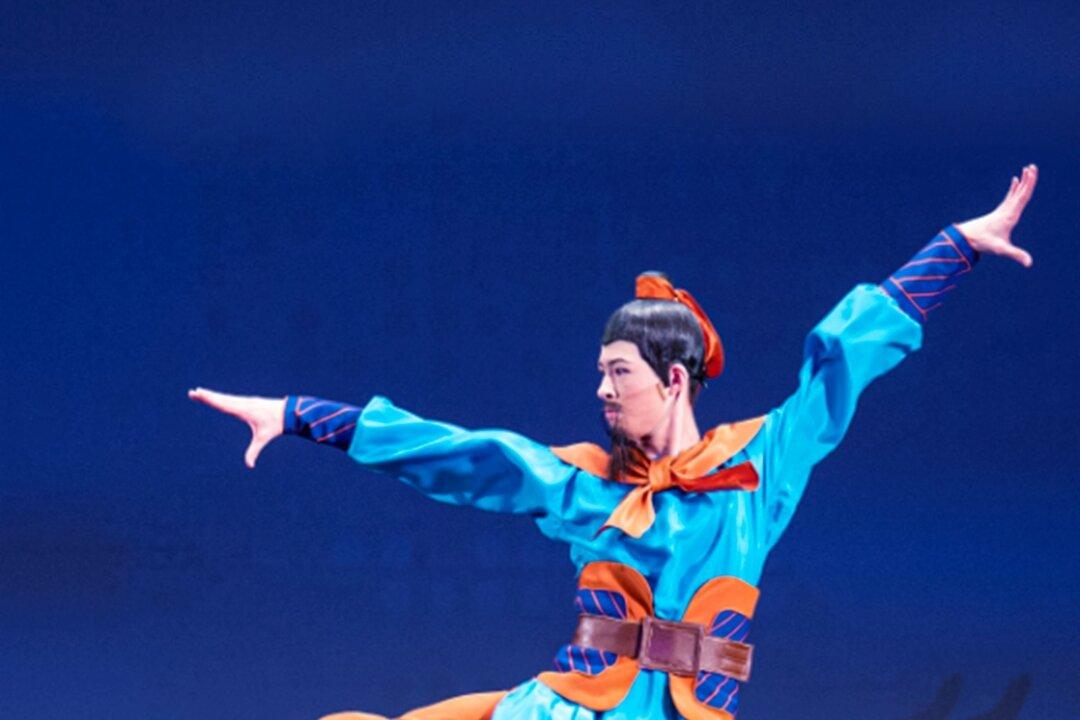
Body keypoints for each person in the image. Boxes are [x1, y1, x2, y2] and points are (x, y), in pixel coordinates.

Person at [188, 165, 1038, 720]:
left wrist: (955, 248)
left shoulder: (757, 469)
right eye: (598, 373)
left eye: (618, 373)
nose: (600, 391)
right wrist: (296, 413)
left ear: (673, 380)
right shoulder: (583, 482)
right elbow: (452, 451)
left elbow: (839, 356)